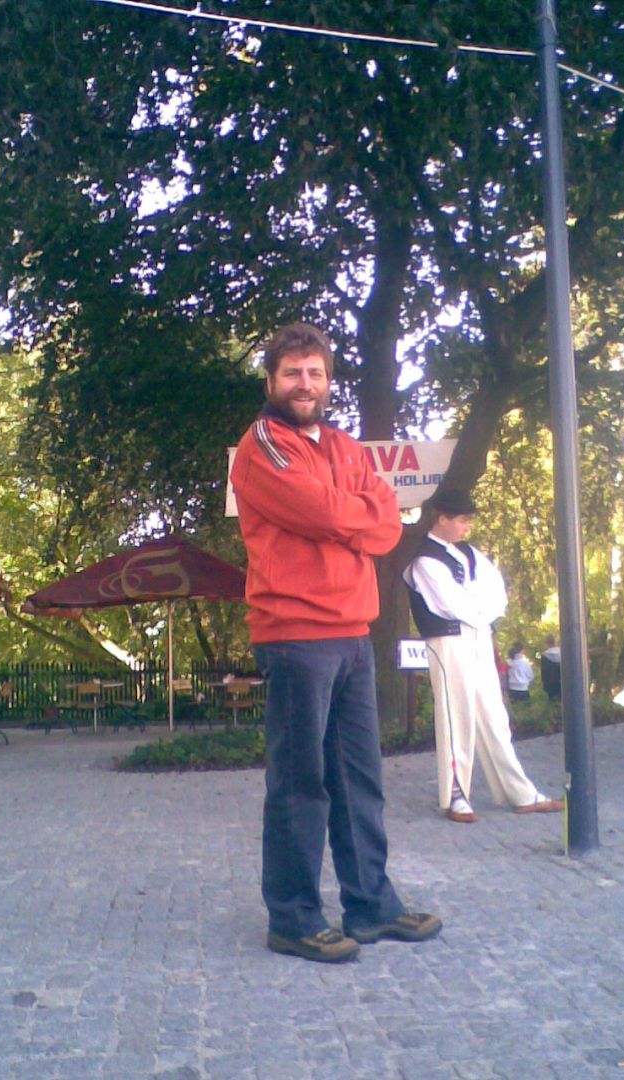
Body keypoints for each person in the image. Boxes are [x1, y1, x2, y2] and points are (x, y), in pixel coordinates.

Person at [231, 322, 442, 964]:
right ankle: (293, 918)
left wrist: (347, 514)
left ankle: (371, 905)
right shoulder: (264, 445)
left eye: (315, 373)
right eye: (292, 372)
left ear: (328, 381)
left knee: (359, 780)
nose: (305, 384)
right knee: (301, 783)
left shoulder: (347, 447)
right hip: (296, 634)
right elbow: (326, 512)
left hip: (353, 633)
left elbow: (387, 523)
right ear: (271, 380)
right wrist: (351, 515)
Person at [403, 489, 563, 823]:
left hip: (478, 638)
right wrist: (479, 605)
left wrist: (480, 607)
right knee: (456, 717)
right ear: (442, 518)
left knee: (494, 717)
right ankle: (456, 796)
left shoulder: (469, 553)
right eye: (462, 520)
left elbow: (495, 592)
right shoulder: (424, 561)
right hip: (448, 641)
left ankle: (520, 793)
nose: (467, 527)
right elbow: (454, 605)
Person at [540, 634, 562, 701]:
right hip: (562, 681)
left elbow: (543, 671)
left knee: (551, 700)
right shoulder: (562, 653)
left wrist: (544, 681)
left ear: (547, 643)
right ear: (556, 642)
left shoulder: (544, 655)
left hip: (550, 682)